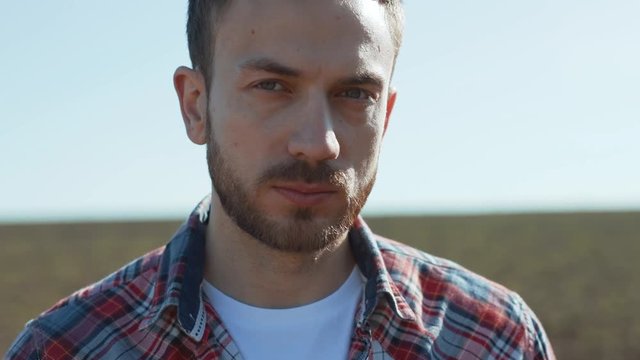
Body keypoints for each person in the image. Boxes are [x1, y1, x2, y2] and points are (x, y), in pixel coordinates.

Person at [7, 0, 556, 359]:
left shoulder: (493, 340)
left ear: (385, 116)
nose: (319, 143)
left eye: (354, 94)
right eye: (272, 86)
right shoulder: (66, 349)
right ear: (195, 106)